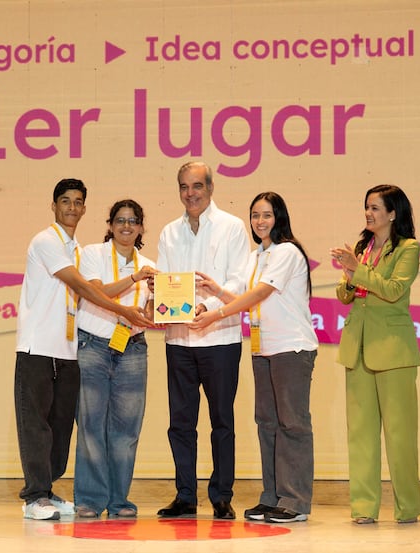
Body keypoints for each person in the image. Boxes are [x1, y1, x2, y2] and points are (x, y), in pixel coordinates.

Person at [15, 178, 152, 521]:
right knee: (42, 422)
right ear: (54, 205)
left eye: (78, 202)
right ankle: (37, 496)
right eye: (66, 201)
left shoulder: (75, 249)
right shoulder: (53, 243)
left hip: (71, 347)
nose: (72, 208)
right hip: (45, 345)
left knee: (63, 424)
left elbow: (151, 310)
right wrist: (126, 306)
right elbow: (87, 289)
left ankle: (55, 492)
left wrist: (171, 309)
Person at [190, 191, 318, 523]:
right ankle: (272, 496)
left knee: (293, 424)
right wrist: (216, 292)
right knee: (268, 423)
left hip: (291, 348)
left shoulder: (287, 252)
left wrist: (216, 316)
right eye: (255, 215)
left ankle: (295, 500)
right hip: (263, 349)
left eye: (266, 215)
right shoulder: (256, 255)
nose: (259, 222)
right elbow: (245, 297)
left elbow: (260, 294)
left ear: (280, 217)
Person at [155, 161, 251, 520]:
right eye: (183, 187)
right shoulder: (168, 232)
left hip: (221, 339)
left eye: (196, 186)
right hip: (179, 339)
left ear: (211, 188)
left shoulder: (232, 228)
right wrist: (158, 296)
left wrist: (206, 306)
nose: (190, 193)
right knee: (180, 422)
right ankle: (185, 496)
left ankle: (222, 495)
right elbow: (166, 281)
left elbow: (239, 282)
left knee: (222, 420)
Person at [330, 184, 420, 525]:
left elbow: (395, 290)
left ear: (393, 213)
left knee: (400, 435)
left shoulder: (408, 249)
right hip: (358, 349)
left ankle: (408, 507)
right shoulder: (362, 248)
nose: (368, 214)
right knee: (361, 435)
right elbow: (344, 294)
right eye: (366, 207)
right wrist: (351, 273)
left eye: (375, 208)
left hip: (394, 352)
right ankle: (364, 508)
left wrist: (359, 270)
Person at [73, 199, 157, 519]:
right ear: (110, 225)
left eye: (133, 221)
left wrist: (158, 298)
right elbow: (98, 292)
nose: (126, 226)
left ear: (140, 227)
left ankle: (120, 500)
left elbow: (149, 316)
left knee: (126, 431)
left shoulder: (149, 264)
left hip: (132, 348)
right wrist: (136, 279)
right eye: (120, 220)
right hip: (92, 346)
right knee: (91, 427)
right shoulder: (92, 254)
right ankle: (91, 500)